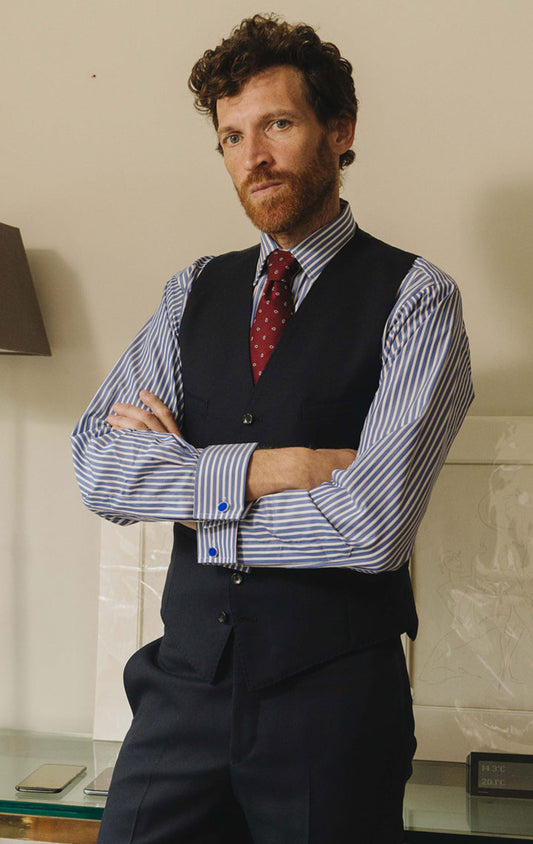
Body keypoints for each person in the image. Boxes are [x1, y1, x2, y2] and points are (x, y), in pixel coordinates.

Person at [72, 13, 474, 844]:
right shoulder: (191, 292)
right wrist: (269, 470)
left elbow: (369, 529)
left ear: (339, 129)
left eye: (277, 126)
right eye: (230, 137)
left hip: (331, 715)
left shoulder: (416, 298)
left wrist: (191, 498)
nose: (251, 158)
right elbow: (98, 467)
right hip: (179, 698)